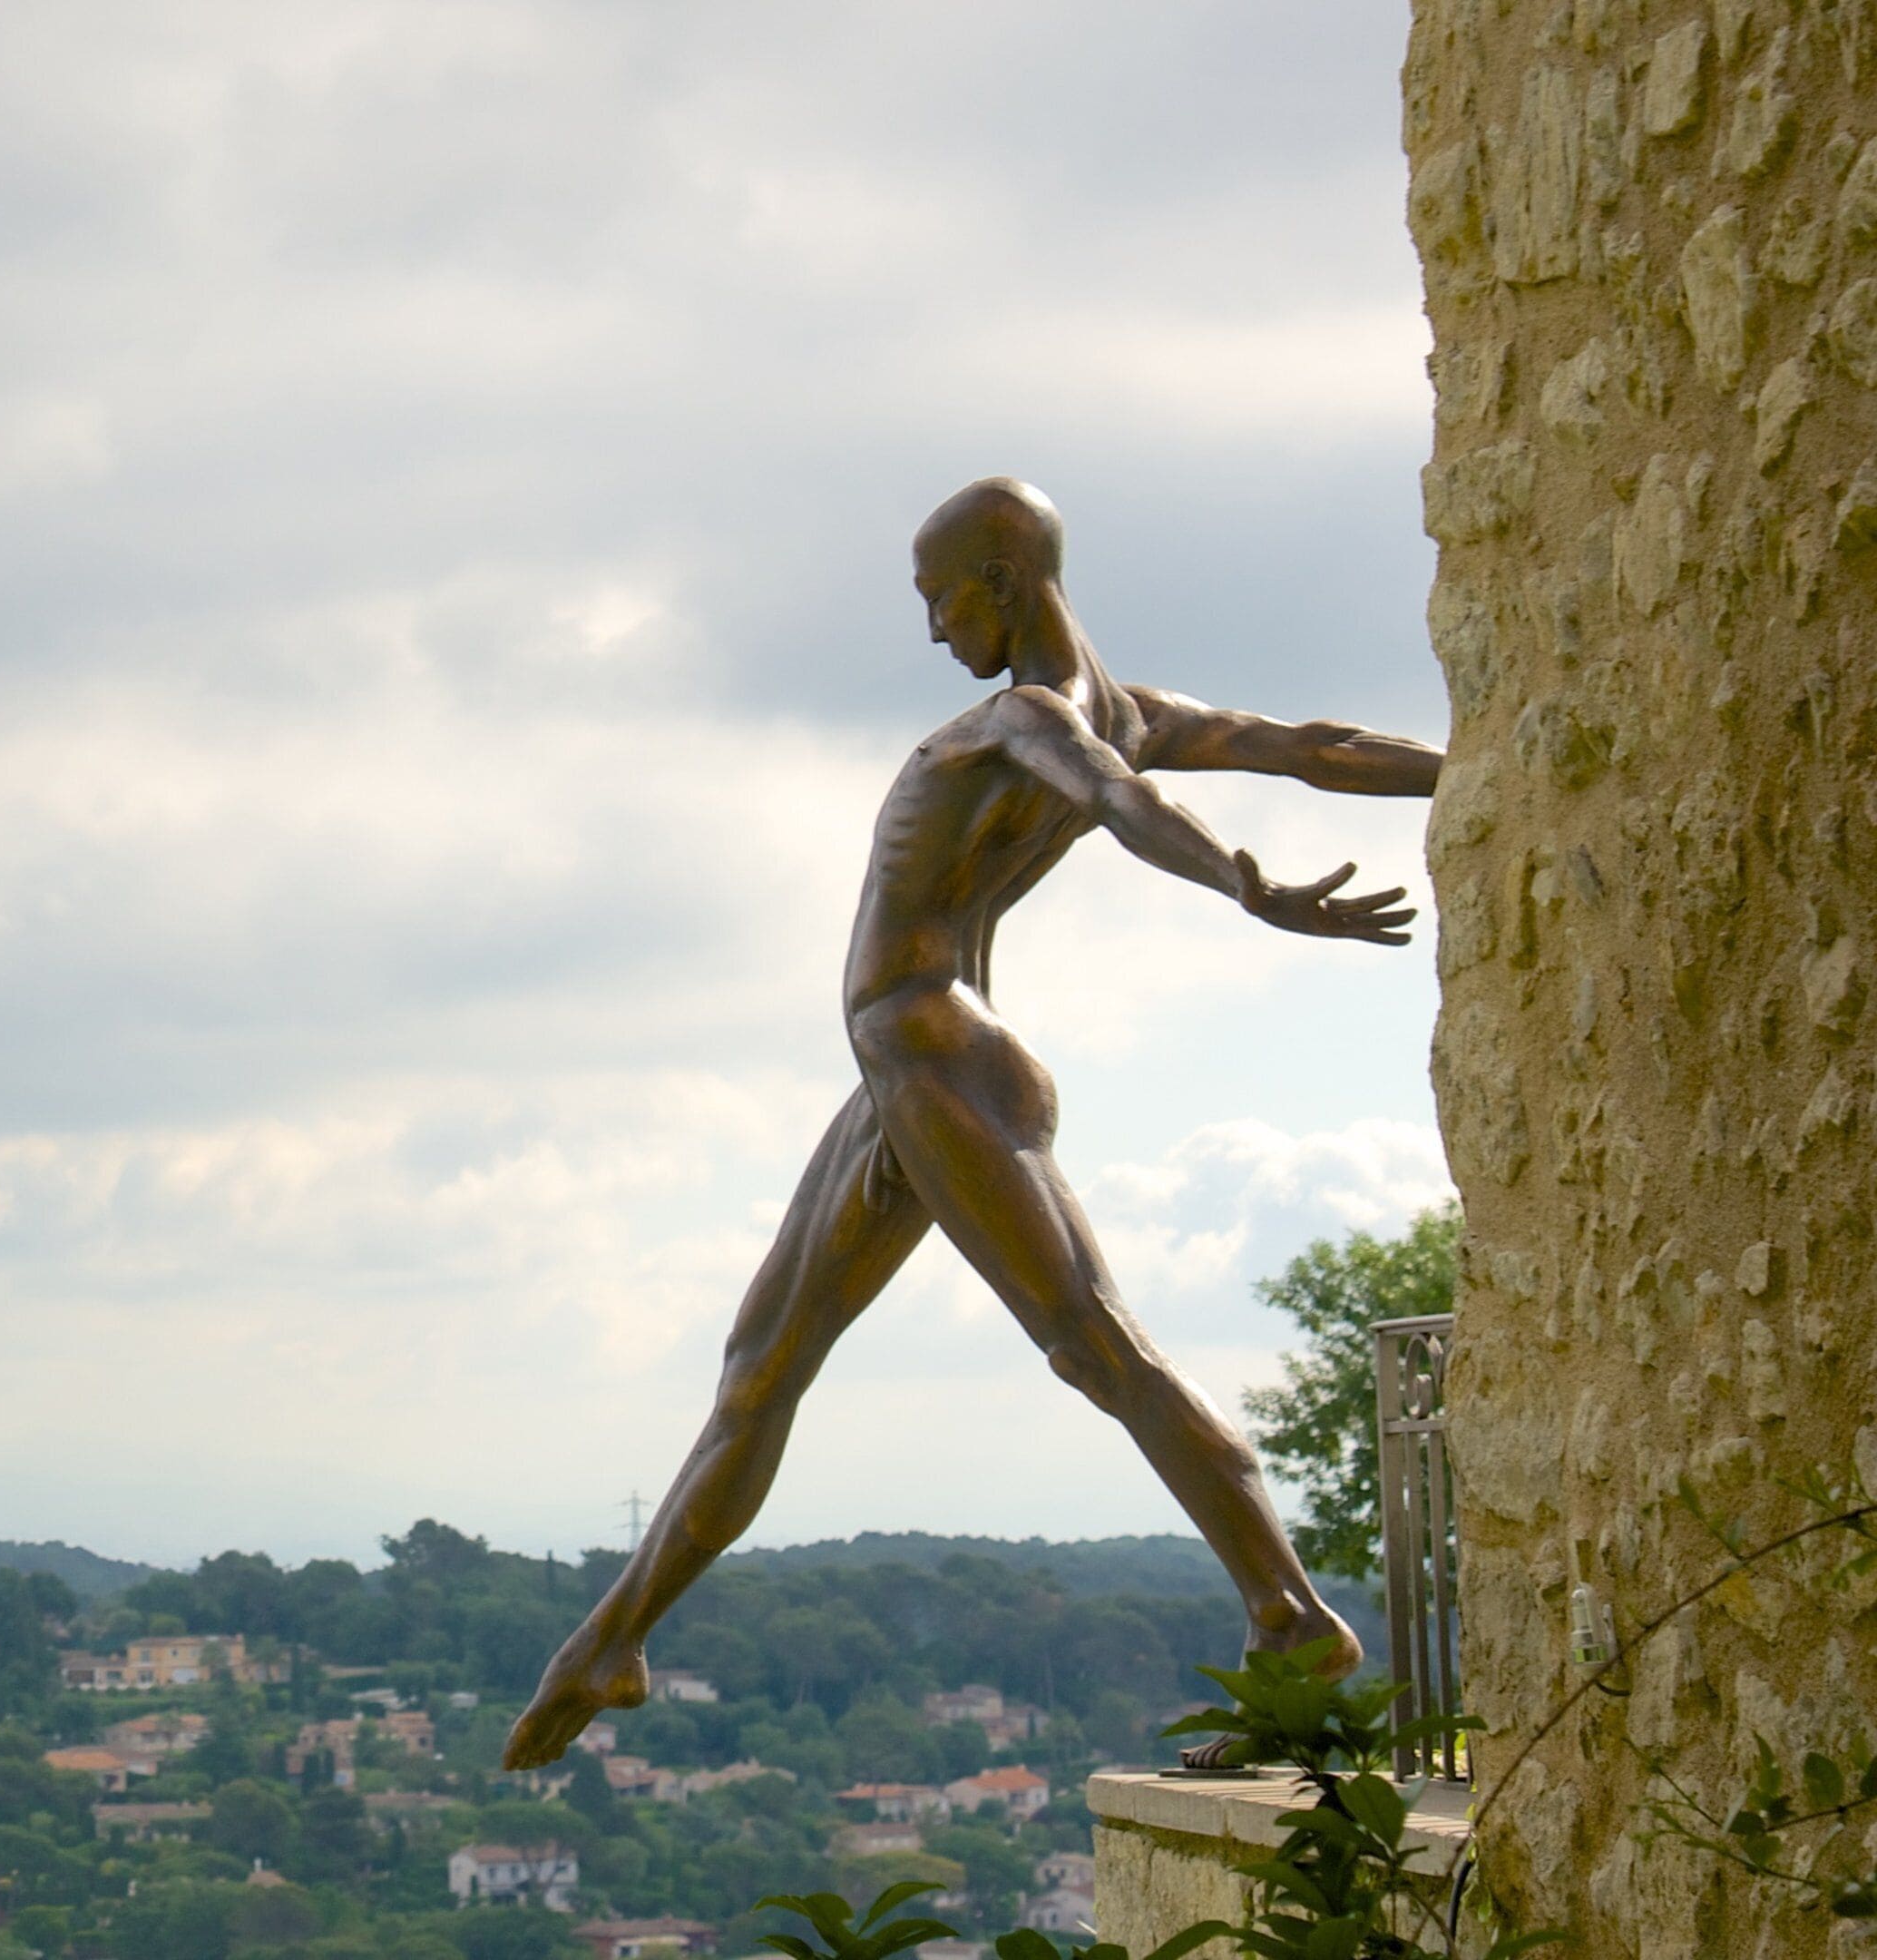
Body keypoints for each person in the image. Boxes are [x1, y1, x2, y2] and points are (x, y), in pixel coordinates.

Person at [502, 477, 1442, 1771]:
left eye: (937, 595)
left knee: (1094, 1344)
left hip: (937, 1057)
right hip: (901, 1078)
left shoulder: (1029, 718)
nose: (934, 629)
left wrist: (1247, 885)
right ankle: (610, 1642)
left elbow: (1117, 795)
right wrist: (1472, 769)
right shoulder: (1126, 711)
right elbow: (1311, 744)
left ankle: (1290, 1616)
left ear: (1001, 577)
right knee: (760, 1369)